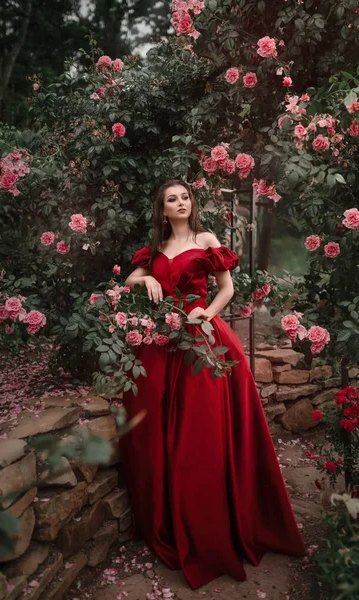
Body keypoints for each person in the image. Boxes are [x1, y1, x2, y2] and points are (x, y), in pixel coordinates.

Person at [119, 179, 305, 589]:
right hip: (163, 342)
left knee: (200, 432)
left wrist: (204, 314)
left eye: (185, 197)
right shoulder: (155, 250)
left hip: (203, 339)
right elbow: (129, 279)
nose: (181, 202)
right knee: (154, 428)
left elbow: (227, 288)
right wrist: (145, 280)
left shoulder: (206, 240)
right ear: (162, 209)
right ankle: (168, 514)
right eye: (172, 199)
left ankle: (210, 521)